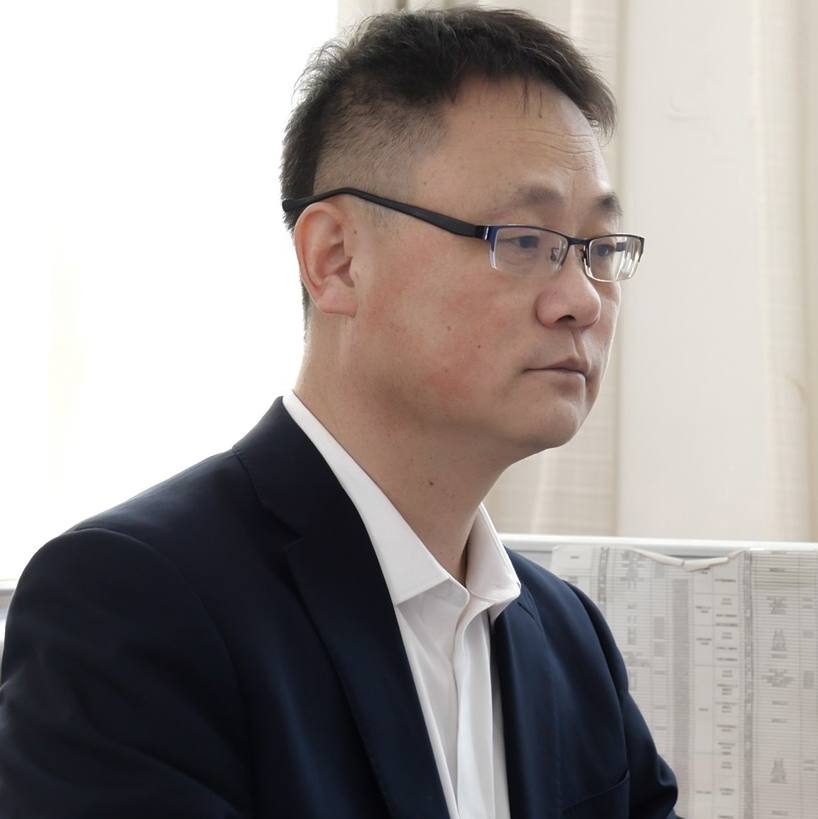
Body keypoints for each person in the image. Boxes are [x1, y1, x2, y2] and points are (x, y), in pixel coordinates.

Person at [0, 8, 678, 818]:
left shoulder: (570, 642)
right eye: (524, 240)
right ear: (337, 259)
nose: (582, 300)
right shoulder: (132, 603)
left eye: (600, 249)